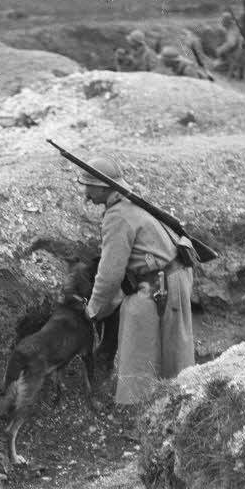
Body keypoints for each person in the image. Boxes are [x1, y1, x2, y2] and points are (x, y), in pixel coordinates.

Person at [77, 155, 194, 405]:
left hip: (159, 285)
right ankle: (170, 401)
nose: (85, 193)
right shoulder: (131, 205)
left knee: (137, 344)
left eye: (89, 185)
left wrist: (93, 308)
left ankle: (140, 408)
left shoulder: (117, 216)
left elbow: (110, 274)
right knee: (173, 348)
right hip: (174, 278)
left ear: (103, 186)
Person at [213, 11, 245, 79]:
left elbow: (231, 43)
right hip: (240, 56)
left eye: (222, 20)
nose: (221, 22)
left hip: (236, 57)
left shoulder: (232, 30)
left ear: (226, 21)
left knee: (215, 67)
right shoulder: (234, 27)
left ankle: (232, 73)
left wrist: (220, 50)